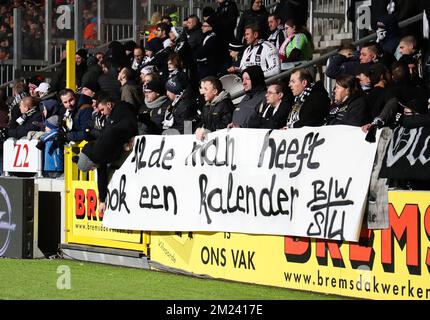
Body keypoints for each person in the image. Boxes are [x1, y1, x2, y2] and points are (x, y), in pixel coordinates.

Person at [75, 92, 138, 215]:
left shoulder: (99, 151)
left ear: (109, 104)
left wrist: (126, 142)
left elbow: (115, 131)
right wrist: (102, 199)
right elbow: (101, 175)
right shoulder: (97, 155)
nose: (101, 113)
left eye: (102, 109)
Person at [195, 76, 234, 140]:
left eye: (206, 89)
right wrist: (198, 129)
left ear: (215, 91)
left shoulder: (225, 104)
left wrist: (207, 131)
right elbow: (203, 123)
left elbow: (226, 127)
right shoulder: (206, 106)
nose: (202, 92)